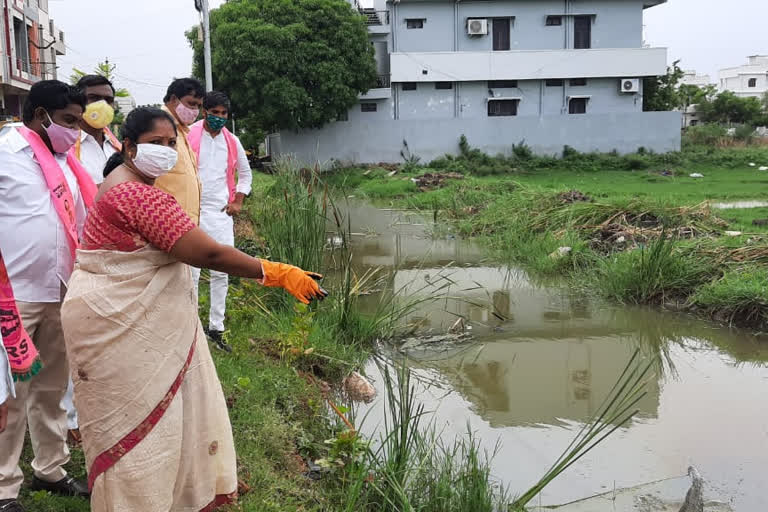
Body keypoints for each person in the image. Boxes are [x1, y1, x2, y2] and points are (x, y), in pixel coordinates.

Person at [60, 107, 326, 511]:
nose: (166, 152)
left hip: (104, 316)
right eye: (156, 144)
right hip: (119, 325)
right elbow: (209, 253)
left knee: (148, 423)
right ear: (129, 146)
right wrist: (275, 272)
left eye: (172, 144)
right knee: (140, 432)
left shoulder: (119, 179)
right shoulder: (138, 194)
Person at [0, 80, 94, 511]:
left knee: (53, 387)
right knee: (11, 396)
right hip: (14, 296)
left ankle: (50, 467)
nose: (76, 131)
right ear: (40, 115)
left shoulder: (67, 164)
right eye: (69, 121)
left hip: (61, 289)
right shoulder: (5, 155)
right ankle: (4, 487)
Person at [188, 92, 252, 351]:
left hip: (221, 214)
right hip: (191, 211)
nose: (219, 118)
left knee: (221, 272)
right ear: (205, 111)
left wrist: (238, 201)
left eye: (224, 114)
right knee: (191, 272)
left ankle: (216, 327)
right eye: (215, 112)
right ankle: (190, 326)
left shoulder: (232, 141)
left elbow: (246, 175)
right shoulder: (188, 135)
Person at [156, 77, 204, 224]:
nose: (195, 111)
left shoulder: (181, 132)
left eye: (198, 106)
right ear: (174, 99)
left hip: (183, 226)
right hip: (165, 224)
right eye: (191, 103)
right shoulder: (157, 127)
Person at [71, 75, 122, 185]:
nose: (103, 105)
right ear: (79, 102)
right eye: (94, 98)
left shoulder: (117, 147)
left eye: (108, 100)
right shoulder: (67, 146)